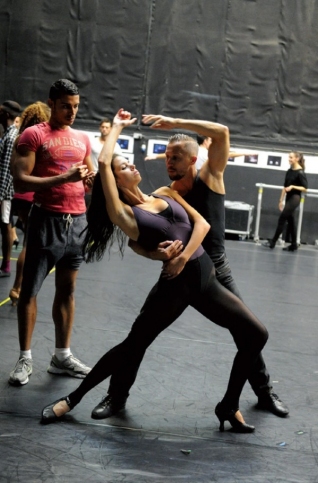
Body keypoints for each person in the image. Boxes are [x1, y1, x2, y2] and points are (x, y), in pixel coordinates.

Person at [41, 108, 268, 433]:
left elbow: (201, 224)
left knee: (257, 335)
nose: (131, 165)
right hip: (175, 288)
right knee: (132, 345)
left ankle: (228, 405)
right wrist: (117, 127)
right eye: (124, 166)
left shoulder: (163, 193)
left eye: (129, 163)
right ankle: (73, 400)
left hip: (205, 280)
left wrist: (180, 256)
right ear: (115, 181)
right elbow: (104, 164)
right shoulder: (125, 214)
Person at [99, 114, 290, 420]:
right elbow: (136, 240)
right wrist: (157, 255)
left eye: (175, 157)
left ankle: (265, 392)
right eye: (166, 157)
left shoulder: (211, 176)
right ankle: (116, 396)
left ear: (192, 159)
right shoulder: (167, 192)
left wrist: (173, 121)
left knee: (247, 332)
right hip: (178, 274)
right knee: (141, 333)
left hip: (214, 271)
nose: (169, 162)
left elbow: (223, 131)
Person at [9, 79, 95, 386]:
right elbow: (20, 180)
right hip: (46, 220)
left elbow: (86, 177)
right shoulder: (33, 135)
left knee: (67, 291)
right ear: (52, 103)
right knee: (30, 290)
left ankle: (61, 356)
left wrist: (90, 182)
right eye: (65, 106)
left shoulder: (83, 139)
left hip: (78, 222)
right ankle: (24, 358)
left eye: (75, 106)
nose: (71, 112)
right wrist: (64, 177)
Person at [9, 101, 51, 305]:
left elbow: (12, 171)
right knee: (28, 243)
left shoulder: (20, 139)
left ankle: (19, 286)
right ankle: (18, 286)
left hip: (18, 195)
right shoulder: (41, 139)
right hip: (33, 196)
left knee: (23, 235)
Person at [262, 152, 308, 252]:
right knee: (291, 221)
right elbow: (285, 186)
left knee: (282, 218)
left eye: (291, 157)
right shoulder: (289, 171)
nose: (289, 159)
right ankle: (294, 244)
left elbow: (305, 188)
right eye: (289, 157)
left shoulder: (300, 172)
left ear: (297, 158)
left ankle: (273, 242)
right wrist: (280, 200)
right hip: (288, 198)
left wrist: (293, 186)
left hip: (295, 198)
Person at [0, 100, 22, 277]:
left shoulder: (11, 135)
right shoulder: (7, 133)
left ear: (6, 115)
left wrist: (1, 195)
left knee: (5, 225)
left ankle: (6, 265)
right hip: (3, 192)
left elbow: (7, 169)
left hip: (4, 192)